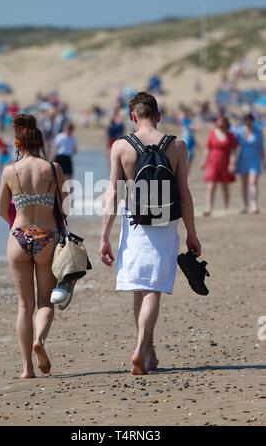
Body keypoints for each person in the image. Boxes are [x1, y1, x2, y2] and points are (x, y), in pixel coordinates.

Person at [100, 92, 201, 375]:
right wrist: (192, 233)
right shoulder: (178, 146)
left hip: (134, 223)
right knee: (153, 288)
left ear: (133, 117)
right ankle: (143, 348)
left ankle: (146, 351)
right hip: (165, 223)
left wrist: (104, 235)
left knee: (140, 287)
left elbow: (113, 193)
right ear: (158, 115)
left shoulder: (120, 146)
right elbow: (184, 194)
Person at [0, 114, 65, 379]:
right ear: (40, 142)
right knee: (45, 302)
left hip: (19, 237)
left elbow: (2, 210)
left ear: (18, 143)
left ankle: (27, 368)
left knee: (24, 305)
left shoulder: (9, 170)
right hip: (47, 236)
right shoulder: (53, 168)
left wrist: (17, 227)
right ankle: (40, 340)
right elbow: (66, 206)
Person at [201, 115, 238, 216]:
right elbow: (207, 148)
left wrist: (232, 163)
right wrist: (203, 161)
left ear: (226, 123)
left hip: (225, 163)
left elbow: (233, 152)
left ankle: (226, 207)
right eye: (219, 122)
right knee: (211, 186)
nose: (221, 124)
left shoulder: (230, 136)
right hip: (212, 163)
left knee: (224, 187)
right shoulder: (212, 134)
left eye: (223, 122)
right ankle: (208, 208)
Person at [235, 114, 265, 213]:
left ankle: (254, 204)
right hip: (243, 159)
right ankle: (245, 205)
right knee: (244, 184)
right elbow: (235, 146)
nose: (248, 122)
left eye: (249, 120)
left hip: (255, 159)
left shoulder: (258, 132)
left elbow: (262, 148)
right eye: (246, 120)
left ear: (253, 121)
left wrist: (264, 161)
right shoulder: (239, 131)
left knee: (253, 182)